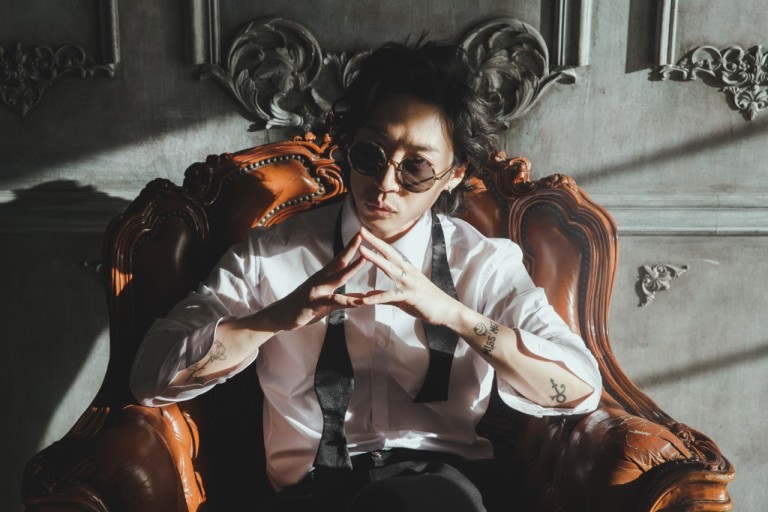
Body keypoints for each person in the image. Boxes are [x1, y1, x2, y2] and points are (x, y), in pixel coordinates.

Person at [129, 39, 602, 512]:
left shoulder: (485, 263)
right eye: (371, 155)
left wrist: (457, 317)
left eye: (416, 167)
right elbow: (149, 377)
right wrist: (274, 319)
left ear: (455, 173)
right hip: (309, 493)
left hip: (440, 488)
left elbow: (580, 389)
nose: (385, 184)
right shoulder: (270, 255)